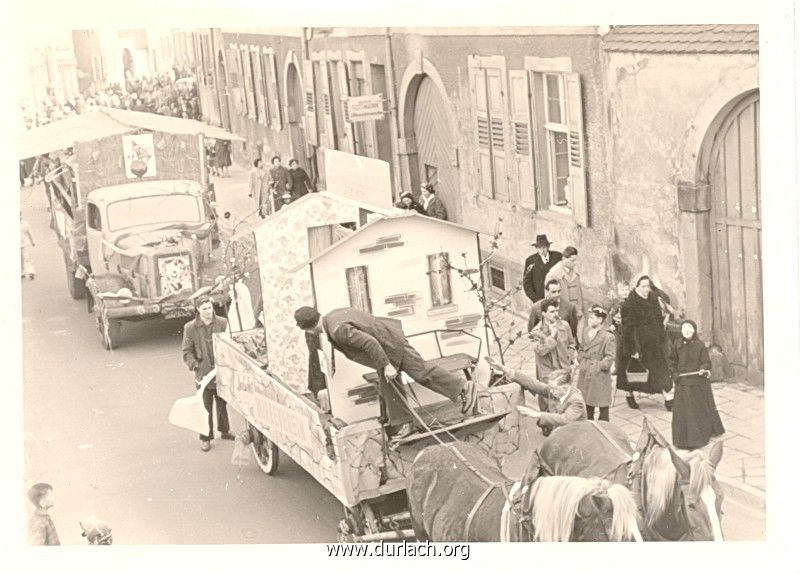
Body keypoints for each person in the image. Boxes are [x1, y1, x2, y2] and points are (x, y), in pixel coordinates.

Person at [294, 306, 478, 434]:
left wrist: (387, 365)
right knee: (388, 382)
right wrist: (385, 366)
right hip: (386, 344)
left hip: (391, 345)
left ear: (308, 329)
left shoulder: (336, 329)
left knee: (421, 372)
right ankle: (403, 423)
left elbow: (369, 342)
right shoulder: (332, 316)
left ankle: (462, 387)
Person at [181, 295, 234, 451]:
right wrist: (195, 365)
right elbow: (186, 351)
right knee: (205, 407)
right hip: (203, 374)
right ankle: (206, 437)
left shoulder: (223, 323)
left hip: (221, 371)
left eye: (210, 308)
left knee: (222, 402)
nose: (208, 311)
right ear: (198, 309)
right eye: (204, 309)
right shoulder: (190, 328)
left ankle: (224, 430)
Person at [616, 275, 673, 411]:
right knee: (632, 371)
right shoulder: (629, 304)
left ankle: (668, 399)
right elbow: (628, 329)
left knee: (661, 370)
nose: (646, 289)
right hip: (637, 344)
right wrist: (632, 349)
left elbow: (658, 319)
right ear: (636, 287)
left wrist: (661, 336)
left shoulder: (653, 298)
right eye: (643, 286)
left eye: (648, 286)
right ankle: (629, 395)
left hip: (653, 344)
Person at [486, 361, 585, 436]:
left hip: (575, 435)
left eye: (554, 389)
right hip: (559, 432)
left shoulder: (576, 401)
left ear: (566, 387)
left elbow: (566, 419)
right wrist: (504, 369)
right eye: (550, 388)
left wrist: (537, 414)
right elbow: (532, 383)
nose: (550, 391)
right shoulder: (555, 391)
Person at [669, 320, 725, 450]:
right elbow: (671, 361)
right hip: (682, 383)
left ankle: (697, 439)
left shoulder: (699, 346)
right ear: (681, 330)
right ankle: (681, 440)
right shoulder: (677, 344)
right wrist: (674, 374)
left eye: (689, 328)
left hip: (696, 383)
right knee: (682, 411)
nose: (687, 331)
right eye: (684, 328)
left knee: (696, 410)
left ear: (694, 330)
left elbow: (706, 362)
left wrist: (702, 368)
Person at [576, 305, 616, 422]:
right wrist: (581, 360)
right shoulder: (587, 331)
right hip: (585, 370)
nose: (589, 320)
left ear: (600, 320)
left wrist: (598, 366)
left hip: (599, 375)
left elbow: (610, 357)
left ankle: (604, 428)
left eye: (592, 317)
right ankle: (589, 426)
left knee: (602, 404)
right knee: (587, 402)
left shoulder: (608, 336)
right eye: (589, 317)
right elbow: (582, 348)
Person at [530, 297, 576, 381]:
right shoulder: (536, 332)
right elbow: (540, 351)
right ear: (544, 314)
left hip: (564, 370)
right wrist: (552, 336)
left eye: (556, 311)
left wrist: (568, 358)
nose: (555, 314)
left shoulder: (564, 325)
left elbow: (571, 344)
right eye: (552, 312)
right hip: (548, 375)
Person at [545, 246, 584, 318]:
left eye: (576, 260)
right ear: (563, 259)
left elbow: (579, 294)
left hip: (575, 313)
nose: (575, 263)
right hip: (560, 314)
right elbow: (548, 297)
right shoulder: (553, 274)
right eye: (572, 260)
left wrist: (579, 309)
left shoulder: (576, 273)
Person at [522, 234, 562, 304]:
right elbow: (527, 284)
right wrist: (536, 299)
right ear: (536, 248)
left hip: (557, 297)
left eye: (544, 247)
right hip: (541, 300)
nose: (542, 250)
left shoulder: (557, 257)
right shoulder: (531, 261)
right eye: (539, 248)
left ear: (548, 247)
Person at [20, 215, 36, 280]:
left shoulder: (24, 224)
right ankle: (22, 272)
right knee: (20, 259)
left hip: (25, 244)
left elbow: (29, 233)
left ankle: (31, 272)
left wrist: (33, 241)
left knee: (27, 257)